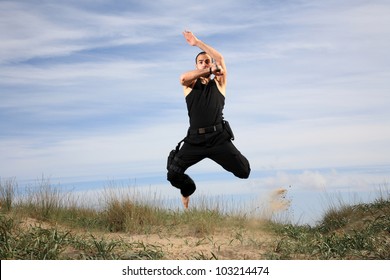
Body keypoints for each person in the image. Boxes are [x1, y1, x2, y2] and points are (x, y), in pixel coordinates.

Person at [167, 30, 251, 209]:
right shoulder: (190, 85)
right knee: (173, 174)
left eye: (207, 61)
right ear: (196, 66)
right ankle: (187, 190)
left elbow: (220, 59)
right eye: (200, 62)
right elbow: (182, 78)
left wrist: (197, 42)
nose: (204, 64)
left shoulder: (219, 83)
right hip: (195, 140)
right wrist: (206, 70)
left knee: (244, 171)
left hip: (218, 138)